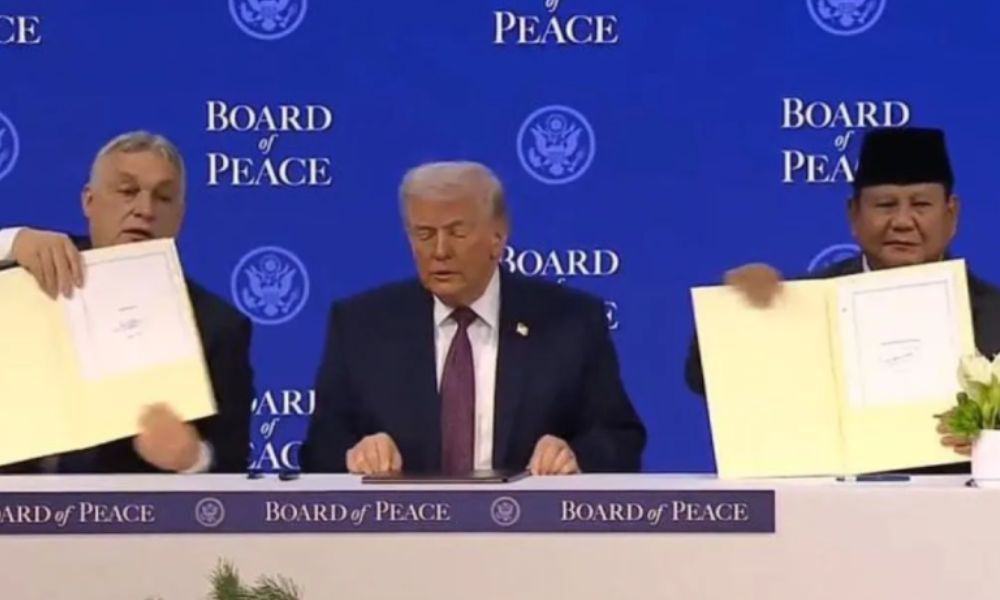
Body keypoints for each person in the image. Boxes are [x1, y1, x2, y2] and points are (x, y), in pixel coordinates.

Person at [300, 161, 646, 476]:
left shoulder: (571, 322)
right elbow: (320, 449)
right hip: (402, 522)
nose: (440, 251)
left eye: (457, 233)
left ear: (498, 237)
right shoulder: (362, 326)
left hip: (528, 522)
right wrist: (355, 454)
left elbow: (619, 438)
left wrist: (575, 455)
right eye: (424, 234)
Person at [684, 126, 1000, 469]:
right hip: (824, 499)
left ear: (951, 215)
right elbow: (703, 379)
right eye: (885, 205)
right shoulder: (801, 303)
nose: (902, 221)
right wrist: (740, 311)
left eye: (921, 205)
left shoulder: (994, 314)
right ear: (853, 214)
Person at [0, 130, 254, 474]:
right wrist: (10, 241)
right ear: (89, 201)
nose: (145, 210)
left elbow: (232, 463)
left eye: (163, 197)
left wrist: (193, 458)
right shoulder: (26, 268)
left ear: (180, 215)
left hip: (130, 507)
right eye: (127, 191)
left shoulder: (217, 326)